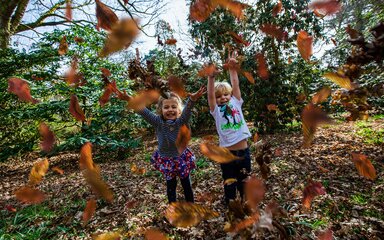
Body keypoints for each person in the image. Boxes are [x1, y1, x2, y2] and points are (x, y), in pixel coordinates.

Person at [136, 87, 205, 203]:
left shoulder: (180, 121)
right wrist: (129, 99)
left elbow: (187, 112)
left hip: (181, 158)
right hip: (167, 160)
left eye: (174, 107)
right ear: (161, 109)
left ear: (179, 110)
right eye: (166, 107)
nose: (170, 110)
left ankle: (191, 205)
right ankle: (173, 209)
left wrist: (192, 100)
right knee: (171, 186)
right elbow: (144, 112)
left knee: (186, 184)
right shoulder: (157, 122)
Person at [207, 52, 252, 205]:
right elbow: (210, 95)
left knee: (245, 181)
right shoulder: (215, 110)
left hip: (243, 152)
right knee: (229, 182)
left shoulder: (236, 102)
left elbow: (236, 84)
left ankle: (246, 203)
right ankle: (231, 206)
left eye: (226, 94)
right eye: (220, 96)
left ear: (231, 95)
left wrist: (233, 69)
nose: (223, 98)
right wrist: (211, 78)